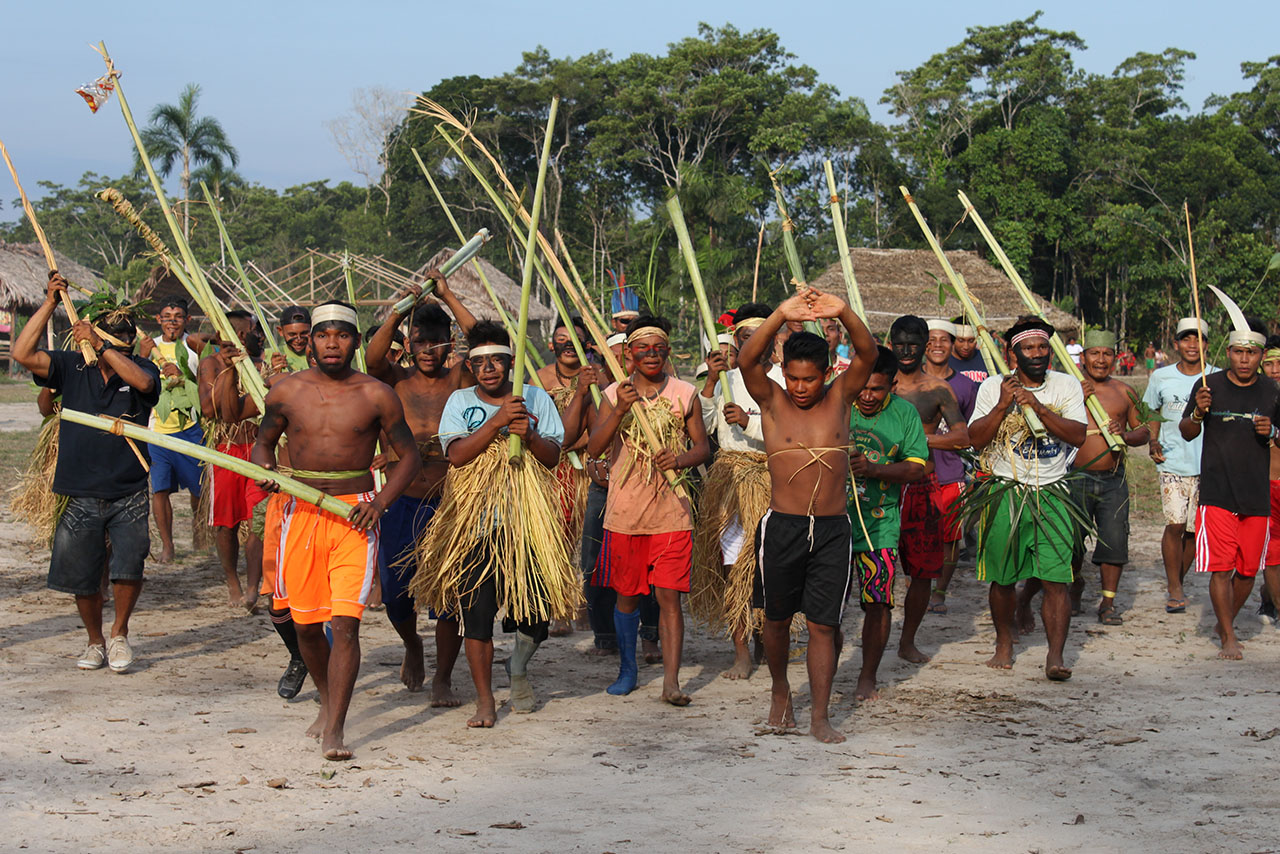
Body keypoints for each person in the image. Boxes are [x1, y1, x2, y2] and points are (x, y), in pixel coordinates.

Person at [251, 300, 422, 760]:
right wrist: (265, 470)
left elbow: (408, 456)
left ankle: (336, 729)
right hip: (301, 510)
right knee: (307, 626)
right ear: (310, 340)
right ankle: (326, 701)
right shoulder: (286, 391)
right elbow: (262, 444)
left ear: (355, 341)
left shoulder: (377, 394)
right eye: (324, 335)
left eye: (342, 335)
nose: (332, 343)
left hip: (354, 515)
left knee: (345, 624)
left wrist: (380, 503)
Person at [410, 320, 569, 727]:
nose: (490, 369)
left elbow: (553, 457)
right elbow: (457, 455)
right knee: (477, 617)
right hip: (475, 525)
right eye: (481, 362)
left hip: (526, 522)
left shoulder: (535, 397)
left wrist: (529, 436)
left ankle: (518, 665)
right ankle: (485, 701)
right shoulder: (460, 401)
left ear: (511, 362)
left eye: (498, 360)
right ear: (470, 366)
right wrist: (497, 422)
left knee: (537, 614)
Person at [739, 288, 876, 743]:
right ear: (783, 373)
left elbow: (868, 354)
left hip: (833, 530)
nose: (800, 388)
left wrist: (844, 312)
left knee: (823, 624)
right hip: (784, 527)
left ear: (827, 373)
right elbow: (746, 360)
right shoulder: (772, 401)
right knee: (776, 621)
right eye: (793, 378)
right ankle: (780, 690)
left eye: (809, 380)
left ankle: (820, 715)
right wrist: (780, 312)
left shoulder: (840, 399)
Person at [13, 274, 160, 673]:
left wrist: (104, 347)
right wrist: (49, 303)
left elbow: (143, 382)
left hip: (129, 487)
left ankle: (120, 634)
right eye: (114, 336)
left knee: (128, 567)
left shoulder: (142, 367)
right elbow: (22, 352)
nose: (123, 341)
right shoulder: (72, 366)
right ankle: (95, 641)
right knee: (83, 575)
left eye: (126, 338)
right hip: (79, 488)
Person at [364, 274, 475, 703]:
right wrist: (397, 313)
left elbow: (484, 342)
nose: (428, 350)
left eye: (436, 342)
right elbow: (372, 357)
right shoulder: (394, 379)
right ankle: (412, 645)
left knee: (450, 593)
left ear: (450, 343)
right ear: (409, 345)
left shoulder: (460, 378)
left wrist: (447, 295)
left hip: (451, 501)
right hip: (402, 500)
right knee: (395, 594)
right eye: (420, 342)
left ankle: (443, 677)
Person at [588, 314, 710, 705]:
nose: (652, 355)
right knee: (626, 597)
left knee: (669, 597)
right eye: (643, 348)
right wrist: (619, 411)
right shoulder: (614, 394)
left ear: (668, 351)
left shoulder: (685, 394)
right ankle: (628, 670)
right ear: (629, 354)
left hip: (672, 513)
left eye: (658, 348)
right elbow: (594, 447)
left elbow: (703, 448)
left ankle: (671, 682)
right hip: (625, 514)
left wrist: (680, 459)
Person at [968, 317, 1086, 680]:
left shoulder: (1066, 385)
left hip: (1053, 493)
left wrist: (1039, 408)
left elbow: (1078, 436)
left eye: (1042, 347)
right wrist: (1003, 406)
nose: (1037, 354)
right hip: (1006, 492)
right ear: (1012, 354)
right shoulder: (993, 387)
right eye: (1028, 348)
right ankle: (1004, 642)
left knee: (1056, 580)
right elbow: (976, 439)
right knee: (1002, 579)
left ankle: (1055, 655)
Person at [1017, 330, 1149, 628]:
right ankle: (1074, 585)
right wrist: (1077, 397)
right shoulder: (1067, 387)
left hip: (1113, 479)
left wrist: (1124, 435)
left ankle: (1108, 603)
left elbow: (1143, 431)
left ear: (1115, 358)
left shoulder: (1125, 392)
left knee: (1114, 540)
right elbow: (1045, 418)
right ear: (1083, 357)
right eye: (1094, 354)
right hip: (1073, 476)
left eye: (1107, 354)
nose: (1101, 360)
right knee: (1070, 540)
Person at [1179, 322, 1280, 660]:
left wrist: (1273, 431)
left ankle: (1225, 623)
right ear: (1228, 352)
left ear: (1261, 355)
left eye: (1251, 353)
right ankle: (1228, 636)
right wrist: (1198, 411)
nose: (1244, 359)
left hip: (1256, 496)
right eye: (1238, 352)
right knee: (1221, 569)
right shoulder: (1208, 385)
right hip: (1217, 493)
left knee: (1248, 571)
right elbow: (1187, 431)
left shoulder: (1272, 391)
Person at [693, 302, 782, 680]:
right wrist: (710, 383)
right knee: (735, 569)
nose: (754, 343)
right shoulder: (725, 379)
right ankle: (741, 650)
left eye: (760, 336)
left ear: (772, 340)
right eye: (746, 337)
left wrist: (751, 423)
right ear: (737, 341)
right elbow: (702, 427)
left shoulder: (787, 379)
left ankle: (767, 640)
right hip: (731, 482)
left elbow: (793, 429)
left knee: (770, 568)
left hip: (775, 479)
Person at [883, 315, 970, 664]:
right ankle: (875, 637)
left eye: (913, 345)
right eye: (900, 345)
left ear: (925, 347)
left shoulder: (937, 389)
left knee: (921, 572)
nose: (906, 352)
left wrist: (920, 440)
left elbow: (962, 436)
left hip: (922, 486)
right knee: (879, 566)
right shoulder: (877, 385)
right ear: (890, 344)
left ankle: (907, 641)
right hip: (880, 485)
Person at [848, 346, 927, 700]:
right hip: (832, 522)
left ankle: (867, 676)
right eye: (862, 387)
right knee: (829, 606)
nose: (866, 396)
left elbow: (917, 467)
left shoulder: (904, 414)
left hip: (879, 526)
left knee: (877, 601)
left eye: (876, 389)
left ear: (892, 386)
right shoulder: (837, 401)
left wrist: (874, 469)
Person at [1142, 319, 1217, 614]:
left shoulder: (1216, 378)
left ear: (1207, 345)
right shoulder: (1161, 377)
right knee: (1175, 524)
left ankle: (1178, 580)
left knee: (1194, 531)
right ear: (1176, 344)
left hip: (1207, 464)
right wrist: (1153, 441)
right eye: (1186, 339)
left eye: (1198, 339)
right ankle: (1174, 587)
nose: (1192, 345)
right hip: (1172, 461)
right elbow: (1152, 412)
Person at [197, 311, 268, 611]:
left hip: (259, 449)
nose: (259, 336)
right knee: (226, 523)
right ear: (241, 335)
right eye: (253, 330)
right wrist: (230, 371)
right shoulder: (211, 364)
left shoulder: (264, 364)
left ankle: (253, 586)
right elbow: (209, 409)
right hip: (226, 449)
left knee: (258, 521)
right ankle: (232, 581)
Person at [536, 315, 595, 637]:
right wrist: (557, 443)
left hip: (588, 465)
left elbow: (604, 418)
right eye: (561, 339)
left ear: (586, 344)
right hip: (552, 468)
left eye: (574, 339)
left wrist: (580, 441)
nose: (568, 345)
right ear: (551, 344)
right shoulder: (539, 379)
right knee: (558, 538)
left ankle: (585, 605)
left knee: (588, 538)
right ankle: (560, 608)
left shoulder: (596, 378)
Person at [137, 297, 204, 564]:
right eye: (167, 317)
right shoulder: (149, 346)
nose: (172, 322)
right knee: (160, 490)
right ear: (158, 320)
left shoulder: (193, 348)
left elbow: (205, 383)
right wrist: (143, 357)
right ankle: (168, 545)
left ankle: (200, 535)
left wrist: (183, 375)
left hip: (191, 428)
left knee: (199, 489)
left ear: (187, 320)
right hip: (158, 431)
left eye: (178, 317)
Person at [921, 319, 978, 614]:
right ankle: (917, 586)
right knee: (915, 536)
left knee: (950, 537)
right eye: (931, 339)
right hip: (915, 474)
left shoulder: (966, 386)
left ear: (953, 344)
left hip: (951, 473)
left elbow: (970, 432)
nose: (937, 345)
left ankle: (940, 591)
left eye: (944, 339)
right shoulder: (908, 382)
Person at [1259, 340, 1280, 623]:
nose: (1275, 370)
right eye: (1269, 364)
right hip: (1267, 485)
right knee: (1272, 554)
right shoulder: (1254, 398)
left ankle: (1267, 594)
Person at [265, 305, 311, 375]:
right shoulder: (268, 356)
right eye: (292, 334)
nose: (299, 340)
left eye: (304, 333)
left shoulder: (318, 355)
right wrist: (272, 371)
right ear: (280, 331)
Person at [948, 317, 989, 384]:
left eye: (971, 341)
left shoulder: (987, 360)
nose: (966, 347)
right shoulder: (944, 362)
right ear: (953, 340)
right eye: (961, 340)